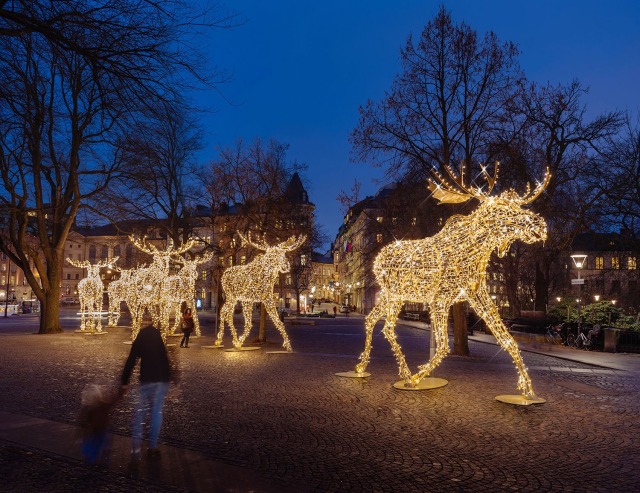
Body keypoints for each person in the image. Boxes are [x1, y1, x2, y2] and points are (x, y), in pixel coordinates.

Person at [121, 313, 172, 459]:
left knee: (140, 414)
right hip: (160, 381)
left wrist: (125, 381)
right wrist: (168, 380)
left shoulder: (141, 336)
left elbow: (132, 359)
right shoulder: (157, 335)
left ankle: (136, 449)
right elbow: (164, 358)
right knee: (156, 414)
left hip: (146, 379)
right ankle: (152, 446)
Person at [78, 383, 123, 464]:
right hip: (103, 429)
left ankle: (91, 458)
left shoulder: (88, 408)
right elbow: (113, 401)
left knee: (93, 444)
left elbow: (84, 420)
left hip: (96, 430)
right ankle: (100, 459)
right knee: (101, 443)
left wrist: (83, 428)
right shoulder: (102, 404)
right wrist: (120, 391)